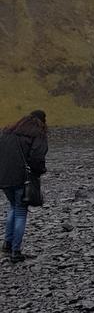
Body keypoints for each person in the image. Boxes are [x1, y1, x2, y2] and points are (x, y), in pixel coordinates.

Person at [0, 110, 48, 263]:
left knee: (13, 207)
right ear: (42, 122)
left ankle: (6, 245)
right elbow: (37, 157)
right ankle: (16, 252)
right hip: (23, 179)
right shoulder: (38, 134)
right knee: (21, 212)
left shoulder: (8, 131)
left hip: (4, 177)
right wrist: (39, 171)